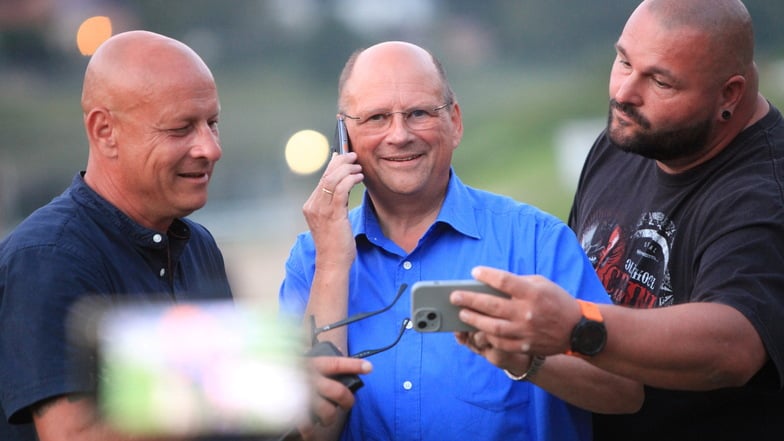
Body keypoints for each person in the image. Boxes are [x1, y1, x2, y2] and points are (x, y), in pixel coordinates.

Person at [0, 30, 368, 441]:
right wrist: (254, 390)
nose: (211, 149)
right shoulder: (48, 257)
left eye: (212, 123)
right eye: (181, 129)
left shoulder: (199, 247)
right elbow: (72, 435)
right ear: (104, 131)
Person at [450, 1, 784, 440]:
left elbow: (733, 347)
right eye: (624, 60)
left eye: (660, 81)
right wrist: (528, 353)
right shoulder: (628, 141)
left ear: (729, 94)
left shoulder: (765, 191)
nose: (625, 92)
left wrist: (575, 324)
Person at [279, 41, 643, 441]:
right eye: (376, 117)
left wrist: (526, 359)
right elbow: (315, 432)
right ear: (344, 135)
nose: (398, 135)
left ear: (455, 122)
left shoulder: (538, 242)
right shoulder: (311, 258)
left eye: (418, 113)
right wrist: (332, 262)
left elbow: (624, 392)